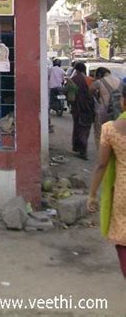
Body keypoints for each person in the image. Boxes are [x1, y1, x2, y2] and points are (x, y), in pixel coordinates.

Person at [88, 84, 126, 278]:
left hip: (122, 193)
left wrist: (93, 195)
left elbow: (102, 165)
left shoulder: (110, 129)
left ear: (123, 102)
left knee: (123, 237)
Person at [91, 67, 122, 148]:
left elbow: (90, 91)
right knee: (116, 132)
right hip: (118, 111)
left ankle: (101, 151)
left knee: (99, 132)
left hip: (104, 110)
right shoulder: (120, 81)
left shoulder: (99, 82)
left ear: (99, 74)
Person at [70, 62, 95, 160]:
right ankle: (82, 149)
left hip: (77, 108)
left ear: (76, 70)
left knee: (78, 127)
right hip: (88, 108)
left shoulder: (73, 80)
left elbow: (69, 95)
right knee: (85, 129)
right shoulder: (90, 80)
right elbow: (94, 95)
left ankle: (80, 149)